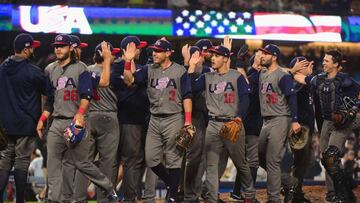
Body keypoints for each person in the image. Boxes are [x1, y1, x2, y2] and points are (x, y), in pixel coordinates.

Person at [36, 34, 117, 203]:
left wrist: (80, 114)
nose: (57, 48)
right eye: (56, 46)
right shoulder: (50, 69)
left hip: (76, 122)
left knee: (82, 163)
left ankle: (108, 187)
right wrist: (43, 118)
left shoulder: (82, 69)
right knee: (54, 164)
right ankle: (55, 199)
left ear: (70, 48)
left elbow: (88, 94)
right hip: (56, 122)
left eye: (61, 46)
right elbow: (49, 100)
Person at [123, 38, 193, 202]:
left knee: (173, 159)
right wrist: (128, 61)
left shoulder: (180, 71)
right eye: (154, 50)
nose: (154, 53)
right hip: (155, 118)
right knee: (151, 158)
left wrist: (188, 121)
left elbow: (187, 96)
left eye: (159, 51)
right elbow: (129, 81)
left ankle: (173, 197)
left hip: (174, 117)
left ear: (168, 53)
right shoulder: (148, 69)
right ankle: (172, 183)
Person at [188, 42, 257, 203]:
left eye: (217, 56)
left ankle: (250, 194)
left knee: (241, 163)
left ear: (226, 59)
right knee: (211, 165)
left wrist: (239, 117)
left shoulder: (236, 76)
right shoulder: (207, 77)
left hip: (232, 123)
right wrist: (191, 67)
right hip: (212, 124)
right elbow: (190, 88)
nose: (213, 58)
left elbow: (246, 99)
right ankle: (212, 198)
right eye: (212, 55)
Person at [293, 50, 360, 202]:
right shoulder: (318, 79)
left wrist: (353, 110)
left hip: (345, 121)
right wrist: (292, 70)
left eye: (327, 61)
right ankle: (338, 188)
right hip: (327, 121)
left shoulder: (346, 80)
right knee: (327, 159)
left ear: (336, 64)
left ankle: (343, 195)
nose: (323, 62)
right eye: (323, 60)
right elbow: (300, 78)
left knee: (331, 157)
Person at [72, 42, 122, 203]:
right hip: (108, 118)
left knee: (84, 163)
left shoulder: (85, 71)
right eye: (111, 53)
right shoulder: (113, 73)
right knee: (107, 163)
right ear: (104, 55)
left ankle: (78, 199)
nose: (114, 56)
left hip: (88, 117)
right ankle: (104, 199)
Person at [0, 33, 45, 203]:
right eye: (32, 47)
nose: (33, 49)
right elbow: (48, 92)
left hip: (5, 125)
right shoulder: (33, 71)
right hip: (25, 124)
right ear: (26, 49)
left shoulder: (2, 68)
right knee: (22, 162)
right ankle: (20, 200)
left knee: (4, 162)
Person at [257, 44, 301, 203]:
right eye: (262, 53)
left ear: (274, 57)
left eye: (266, 53)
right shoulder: (262, 72)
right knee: (259, 157)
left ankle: (274, 199)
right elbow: (251, 67)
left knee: (272, 160)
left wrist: (295, 121)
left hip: (281, 118)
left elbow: (292, 97)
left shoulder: (282, 76)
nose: (262, 55)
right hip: (266, 121)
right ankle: (289, 182)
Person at [115, 35, 150, 202]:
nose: (140, 50)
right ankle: (125, 198)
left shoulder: (142, 67)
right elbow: (129, 82)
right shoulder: (115, 67)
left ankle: (122, 196)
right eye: (137, 47)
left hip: (136, 122)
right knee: (127, 162)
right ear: (126, 50)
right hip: (125, 121)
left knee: (133, 161)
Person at [181, 43, 212, 202]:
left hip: (204, 118)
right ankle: (185, 193)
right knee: (188, 158)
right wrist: (188, 66)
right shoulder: (183, 71)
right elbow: (189, 90)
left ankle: (194, 194)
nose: (204, 55)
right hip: (189, 117)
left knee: (199, 159)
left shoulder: (208, 71)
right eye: (199, 53)